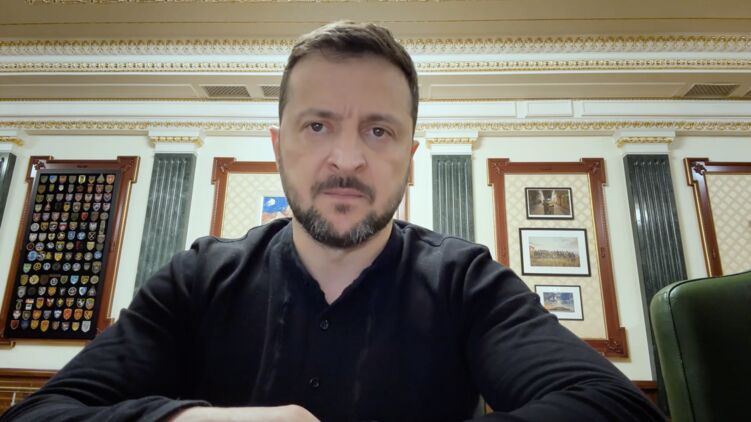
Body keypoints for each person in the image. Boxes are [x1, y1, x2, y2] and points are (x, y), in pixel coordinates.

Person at [1, 21, 665, 422]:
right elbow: (42, 413)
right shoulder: (197, 278)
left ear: (409, 155)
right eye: (317, 126)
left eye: (378, 130)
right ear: (278, 146)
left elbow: (615, 408)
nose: (346, 159)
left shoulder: (465, 281)